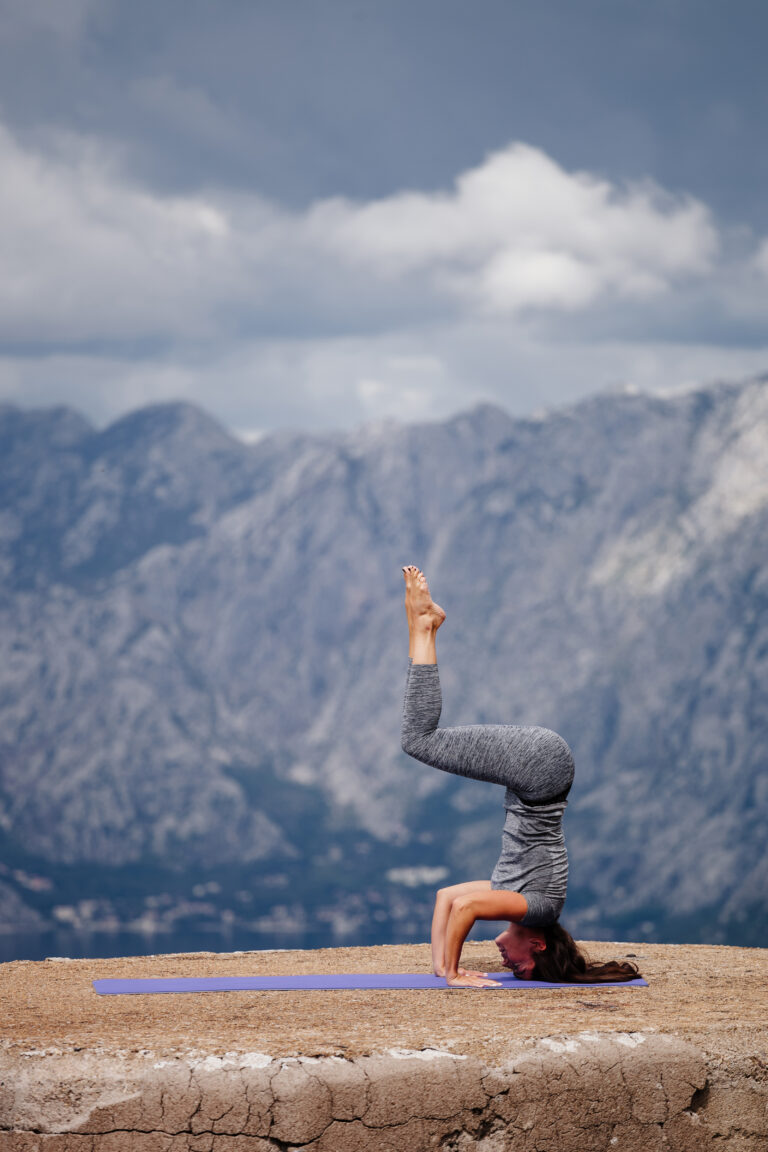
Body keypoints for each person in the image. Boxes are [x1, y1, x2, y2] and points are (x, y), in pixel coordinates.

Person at [400, 565, 640, 989]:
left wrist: (442, 968)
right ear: (538, 946)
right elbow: (469, 910)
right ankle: (423, 627)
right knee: (419, 740)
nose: (507, 964)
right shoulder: (537, 910)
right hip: (539, 773)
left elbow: (449, 900)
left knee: (421, 740)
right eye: (520, 968)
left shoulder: (516, 899)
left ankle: (428, 626)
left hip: (539, 774)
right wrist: (458, 975)